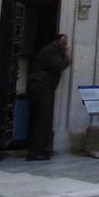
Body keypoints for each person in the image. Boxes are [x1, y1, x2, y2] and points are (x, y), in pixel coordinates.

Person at [26, 33, 71, 161]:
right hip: (40, 86)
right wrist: (67, 55)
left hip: (45, 86)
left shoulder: (54, 50)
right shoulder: (50, 50)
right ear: (57, 41)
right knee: (41, 118)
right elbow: (60, 65)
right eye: (63, 42)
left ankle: (41, 147)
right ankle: (34, 152)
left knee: (44, 118)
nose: (65, 45)